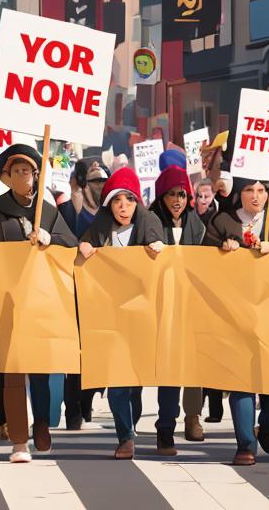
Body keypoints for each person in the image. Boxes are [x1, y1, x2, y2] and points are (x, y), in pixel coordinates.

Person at [0, 144, 77, 463]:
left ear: (36, 175)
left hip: (41, 299)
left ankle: (42, 422)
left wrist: (49, 239)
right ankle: (19, 439)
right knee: (13, 370)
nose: (23, 176)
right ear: (7, 177)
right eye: (16, 171)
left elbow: (69, 244)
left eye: (28, 171)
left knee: (41, 369)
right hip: (6, 299)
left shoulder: (48, 210)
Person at [204, 176, 269, 467]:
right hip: (233, 313)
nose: (256, 196)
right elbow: (201, 260)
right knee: (241, 379)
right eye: (249, 190)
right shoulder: (222, 222)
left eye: (261, 190)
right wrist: (222, 249)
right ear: (238, 193)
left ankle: (266, 425)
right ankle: (245, 443)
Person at [79, 167, 169, 459]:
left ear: (136, 202)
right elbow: (81, 248)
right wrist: (83, 247)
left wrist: (158, 250)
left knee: (134, 386)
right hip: (109, 316)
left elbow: (163, 264)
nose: (123, 206)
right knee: (117, 382)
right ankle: (125, 437)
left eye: (129, 200)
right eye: (118, 200)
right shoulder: (100, 227)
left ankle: (131, 422)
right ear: (109, 203)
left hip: (142, 316)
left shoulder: (150, 224)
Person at [148, 164, 208, 442]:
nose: (177, 200)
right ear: (162, 196)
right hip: (162, 304)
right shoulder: (150, 222)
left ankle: (193, 415)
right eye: (172, 194)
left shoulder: (198, 225)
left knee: (195, 365)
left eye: (182, 195)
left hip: (192, 303)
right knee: (170, 365)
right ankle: (166, 423)